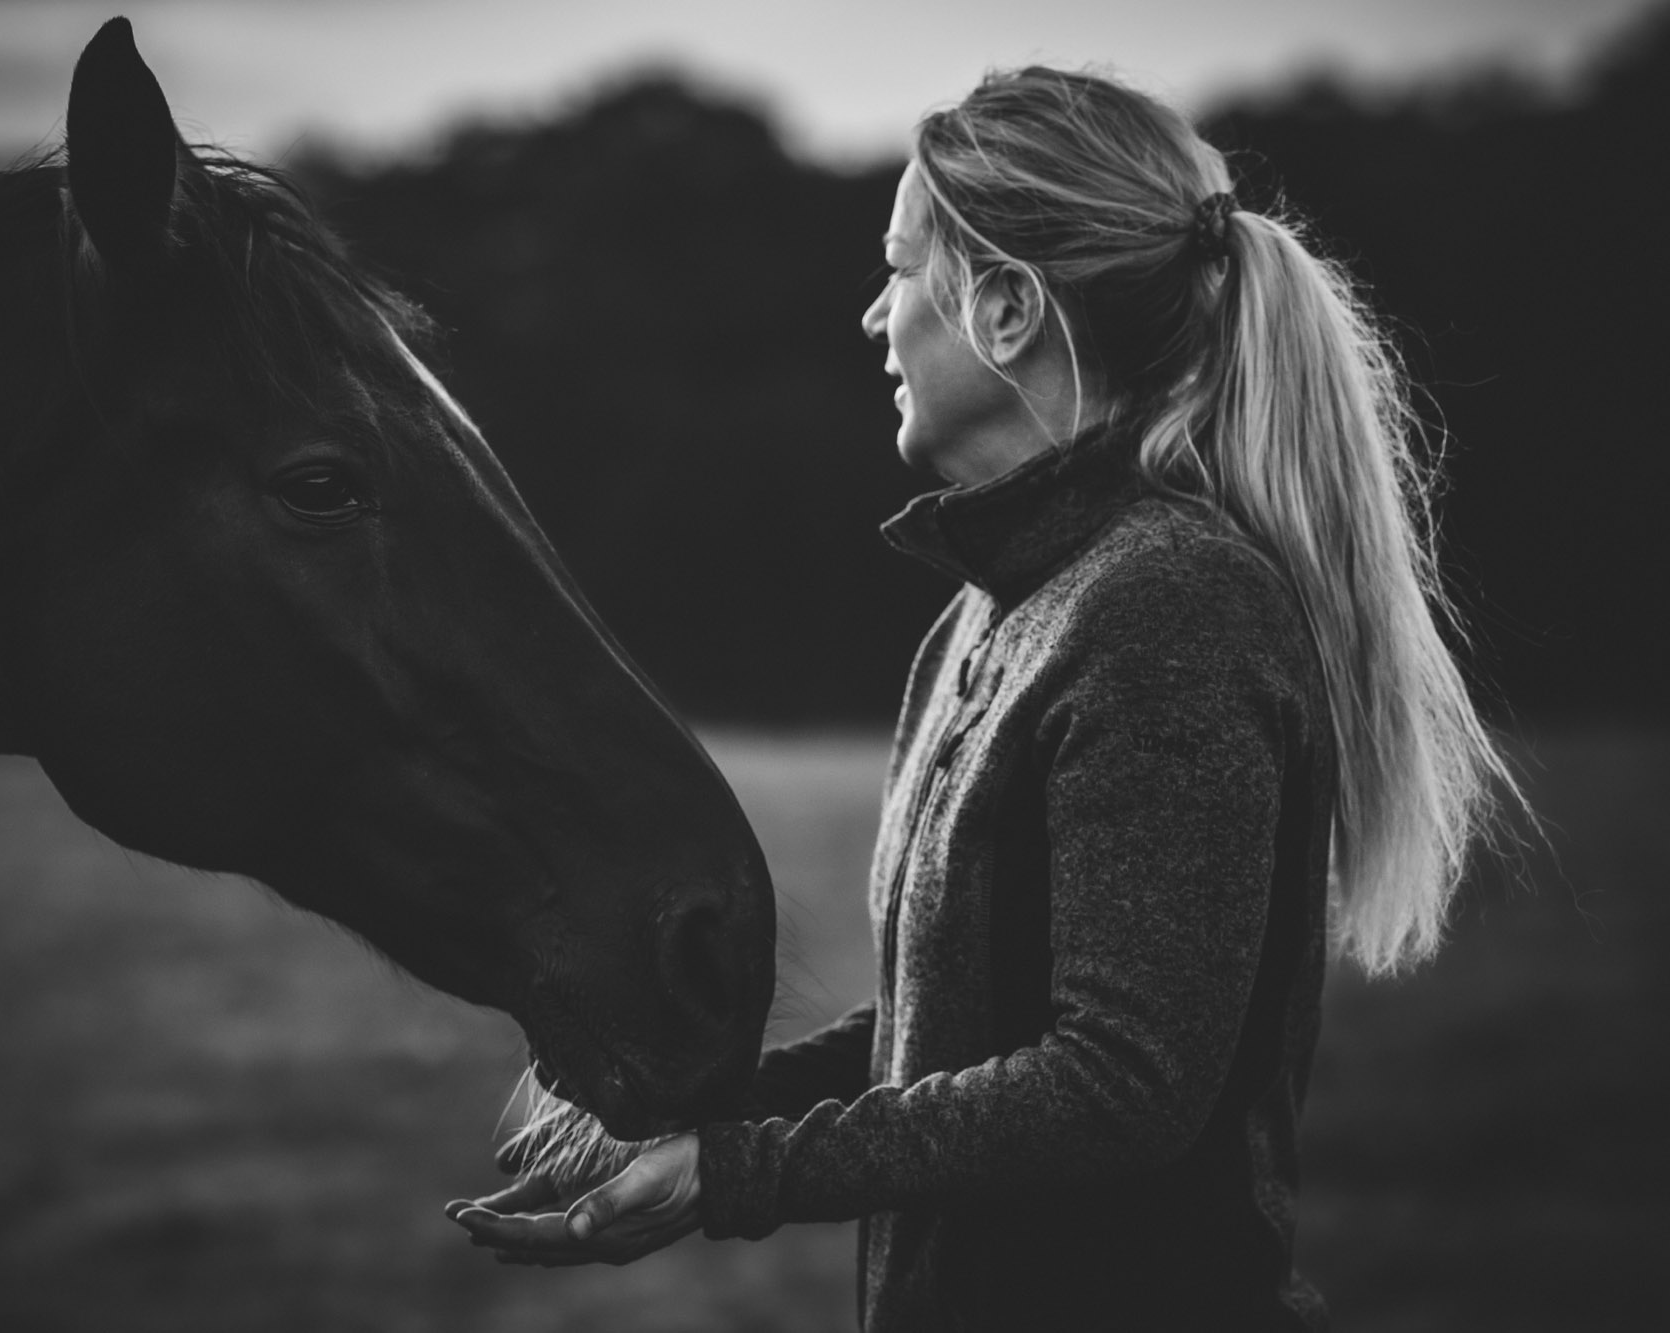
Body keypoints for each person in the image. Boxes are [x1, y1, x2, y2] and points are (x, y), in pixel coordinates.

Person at [448, 64, 1522, 1330]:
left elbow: (1120, 1083)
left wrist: (741, 1176)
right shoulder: (990, 612)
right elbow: (947, 1029)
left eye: (898, 270)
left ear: (1006, 309)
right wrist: (696, 1118)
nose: (872, 317)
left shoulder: (1169, 606)